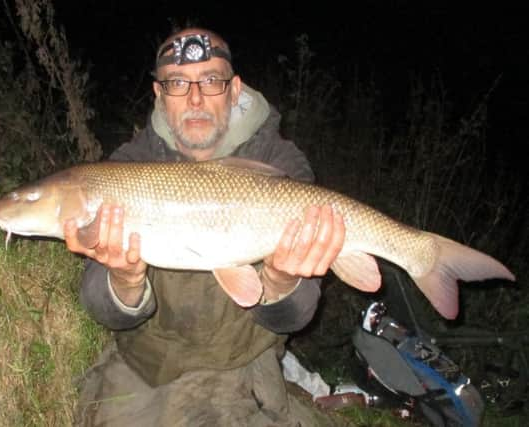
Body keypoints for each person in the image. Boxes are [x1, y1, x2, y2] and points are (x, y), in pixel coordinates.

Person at [67, 27, 347, 427]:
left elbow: (297, 316)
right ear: (159, 95)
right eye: (178, 83)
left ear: (234, 91)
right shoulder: (126, 166)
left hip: (243, 366)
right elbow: (100, 305)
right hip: (147, 365)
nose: (195, 98)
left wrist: (281, 282)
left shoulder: (279, 161)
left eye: (210, 81)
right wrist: (125, 283)